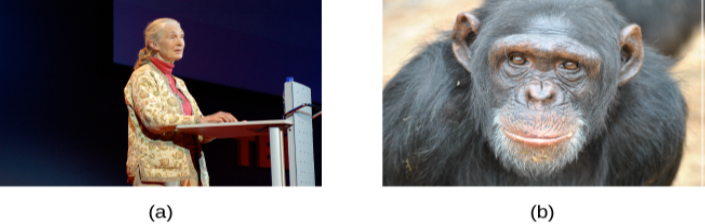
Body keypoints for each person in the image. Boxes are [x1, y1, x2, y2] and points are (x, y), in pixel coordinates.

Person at [124, 18, 237, 186]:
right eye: (172, 37)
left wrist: (220, 128)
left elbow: (198, 133)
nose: (180, 43)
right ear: (153, 44)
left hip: (191, 171)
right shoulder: (143, 75)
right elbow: (153, 119)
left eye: (182, 37)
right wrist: (201, 120)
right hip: (157, 174)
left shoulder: (180, 83)